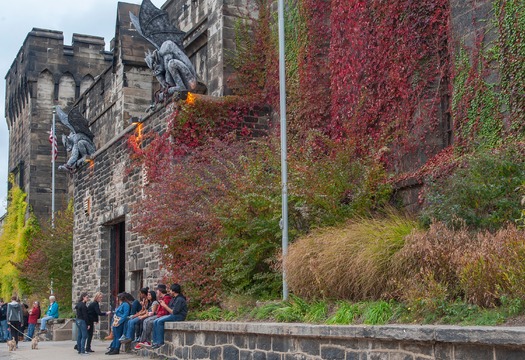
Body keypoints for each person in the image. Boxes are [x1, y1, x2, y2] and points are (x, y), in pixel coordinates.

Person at [151, 283, 187, 349]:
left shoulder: (180, 299)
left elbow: (174, 312)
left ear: (174, 291)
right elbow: (170, 309)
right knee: (155, 321)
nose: (169, 292)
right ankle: (155, 342)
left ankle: (160, 342)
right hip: (173, 315)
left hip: (179, 316)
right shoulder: (174, 298)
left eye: (170, 290)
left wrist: (164, 305)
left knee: (159, 322)